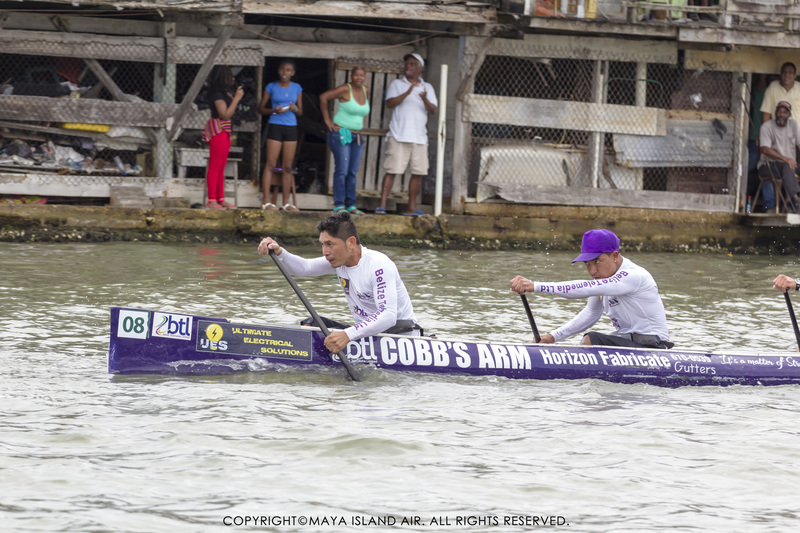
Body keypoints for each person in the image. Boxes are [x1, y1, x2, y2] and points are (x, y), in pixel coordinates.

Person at [257, 211, 421, 354]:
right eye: (323, 245)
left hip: (399, 338)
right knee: (311, 325)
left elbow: (388, 315)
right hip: (367, 334)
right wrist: (279, 252)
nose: (325, 252)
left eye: (330, 244)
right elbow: (304, 268)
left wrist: (348, 334)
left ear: (350, 243)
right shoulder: (339, 260)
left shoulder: (379, 265)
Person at [509, 228, 673, 349]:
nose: (592, 270)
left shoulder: (633, 276)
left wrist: (535, 286)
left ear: (614, 256)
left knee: (591, 339)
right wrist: (553, 337)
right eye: (587, 264)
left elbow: (586, 288)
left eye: (597, 261)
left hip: (654, 348)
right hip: (630, 343)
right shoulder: (605, 279)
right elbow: (591, 314)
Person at [375, 53, 438, 216]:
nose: (408, 66)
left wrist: (424, 98)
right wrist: (408, 91)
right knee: (392, 170)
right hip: (399, 135)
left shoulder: (428, 87)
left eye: (412, 64)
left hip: (419, 137)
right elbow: (390, 103)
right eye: (407, 64)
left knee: (417, 173)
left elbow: (433, 110)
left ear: (420, 68)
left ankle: (411, 208)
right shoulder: (397, 84)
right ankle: (381, 205)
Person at [320, 66, 371, 215]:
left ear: (365, 77)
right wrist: (328, 120)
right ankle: (339, 204)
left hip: (357, 136)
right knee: (342, 170)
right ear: (351, 76)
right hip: (341, 134)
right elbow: (323, 97)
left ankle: (351, 205)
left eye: (362, 75)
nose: (359, 78)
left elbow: (361, 112)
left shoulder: (365, 90)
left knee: (352, 171)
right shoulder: (344, 89)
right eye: (356, 75)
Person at [258, 59, 303, 212]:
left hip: (291, 127)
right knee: (270, 164)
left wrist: (293, 107)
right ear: (279, 71)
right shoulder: (271, 87)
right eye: (282, 69)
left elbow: (301, 112)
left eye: (288, 70)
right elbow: (261, 109)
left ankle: (286, 203)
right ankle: (266, 201)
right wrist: (273, 110)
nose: (285, 72)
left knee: (288, 167)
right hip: (275, 126)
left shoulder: (297, 88)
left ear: (293, 73)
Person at [202, 65, 244, 210]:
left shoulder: (224, 93)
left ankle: (220, 198)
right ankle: (211, 200)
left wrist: (233, 98)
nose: (232, 79)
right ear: (223, 78)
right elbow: (225, 114)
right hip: (218, 129)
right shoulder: (217, 95)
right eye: (229, 76)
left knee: (221, 166)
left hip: (225, 130)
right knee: (215, 165)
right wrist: (237, 98)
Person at [757, 101, 800, 212]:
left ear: (789, 115)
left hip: (789, 165)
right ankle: (795, 200)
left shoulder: (793, 124)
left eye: (784, 112)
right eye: (779, 112)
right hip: (768, 165)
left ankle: (791, 204)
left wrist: (788, 161)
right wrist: (785, 159)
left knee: (788, 167)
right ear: (775, 113)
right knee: (787, 167)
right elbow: (765, 149)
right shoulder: (767, 126)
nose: (781, 114)